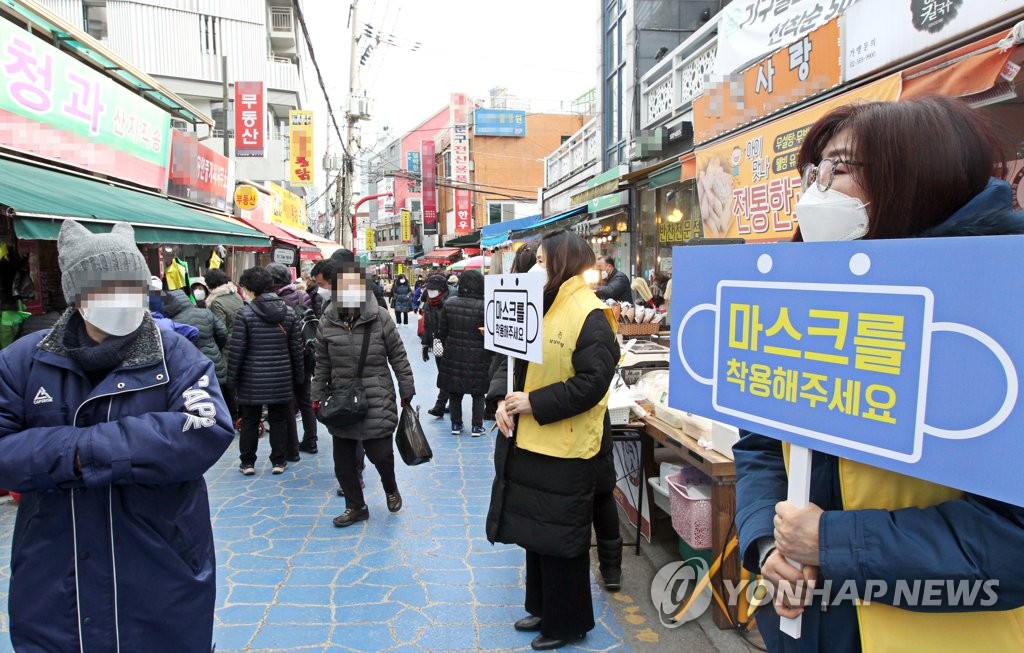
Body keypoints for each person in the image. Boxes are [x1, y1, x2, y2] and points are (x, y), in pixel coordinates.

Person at [735, 96, 1024, 653]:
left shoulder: (999, 307)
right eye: (813, 173)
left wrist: (834, 542)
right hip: (806, 625)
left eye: (840, 170)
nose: (816, 193)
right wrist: (766, 545)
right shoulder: (804, 298)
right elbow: (760, 444)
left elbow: (1010, 540)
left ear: (915, 176)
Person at [0, 220, 233, 652]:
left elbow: (205, 430)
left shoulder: (176, 355)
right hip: (54, 573)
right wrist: (82, 453)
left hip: (162, 565)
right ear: (78, 297)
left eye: (133, 287)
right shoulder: (22, 363)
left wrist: (79, 451)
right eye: (108, 288)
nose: (123, 299)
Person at [486, 229, 619, 650]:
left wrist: (533, 403)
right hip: (529, 440)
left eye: (544, 261)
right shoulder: (537, 303)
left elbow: (593, 383)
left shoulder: (590, 313)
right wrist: (503, 403)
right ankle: (542, 607)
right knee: (535, 532)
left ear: (563, 263)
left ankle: (567, 623)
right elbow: (514, 367)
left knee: (562, 539)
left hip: (566, 447)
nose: (536, 267)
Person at [311, 259, 415, 527]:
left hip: (376, 394)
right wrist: (316, 394)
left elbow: (398, 356)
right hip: (342, 397)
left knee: (381, 453)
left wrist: (407, 389)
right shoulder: (327, 320)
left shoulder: (379, 317)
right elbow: (322, 363)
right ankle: (356, 506)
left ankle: (390, 488)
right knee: (343, 462)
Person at [228, 266, 304, 476]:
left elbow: (237, 351)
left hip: (251, 379)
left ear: (251, 289)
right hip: (281, 376)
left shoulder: (245, 314)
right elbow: (296, 349)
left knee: (251, 420)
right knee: (279, 419)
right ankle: (279, 461)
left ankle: (247, 463)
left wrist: (231, 379)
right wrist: (298, 377)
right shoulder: (289, 312)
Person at [267, 262, 317, 458]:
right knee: (305, 400)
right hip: (305, 354)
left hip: (285, 357)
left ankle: (292, 448)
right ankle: (311, 440)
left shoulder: (275, 301)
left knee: (288, 402)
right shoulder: (302, 295)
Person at [437, 269, 492, 436]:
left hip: (453, 354)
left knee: (455, 391)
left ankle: (456, 424)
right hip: (479, 356)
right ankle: (476, 426)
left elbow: (442, 332)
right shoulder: (486, 306)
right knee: (478, 392)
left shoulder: (450, 304)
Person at [160, 288, 229, 391]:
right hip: (215, 362)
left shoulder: (174, 323)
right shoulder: (206, 312)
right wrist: (215, 346)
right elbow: (223, 332)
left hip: (194, 366)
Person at [206, 268, 245, 423]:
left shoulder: (216, 301)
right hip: (241, 341)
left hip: (227, 346)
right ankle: (242, 413)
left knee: (228, 382)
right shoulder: (235, 295)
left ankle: (233, 416)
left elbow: (219, 328)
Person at [420, 273, 452, 418]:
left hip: (452, 344)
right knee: (443, 374)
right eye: (429, 290)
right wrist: (425, 345)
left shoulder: (452, 300)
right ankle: (451, 403)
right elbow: (427, 325)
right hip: (438, 342)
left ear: (442, 290)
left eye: (434, 291)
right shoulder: (429, 303)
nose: (431, 294)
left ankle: (440, 406)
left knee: (446, 375)